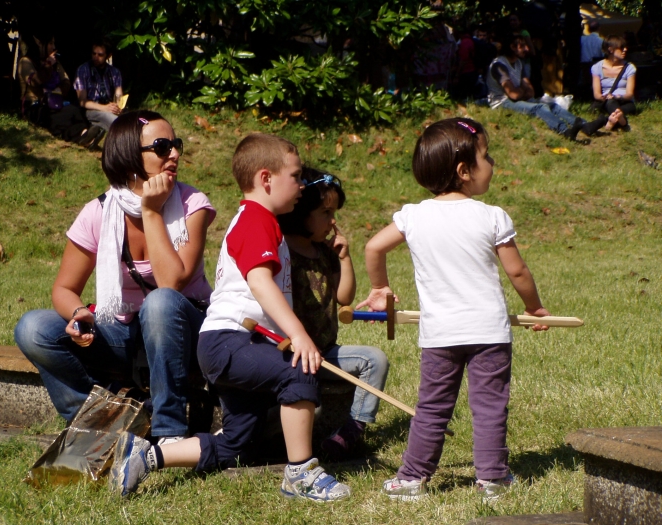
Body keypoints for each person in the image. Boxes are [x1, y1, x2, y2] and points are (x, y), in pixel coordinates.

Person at [108, 133, 351, 502]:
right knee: (299, 369)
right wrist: (299, 335)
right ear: (266, 179)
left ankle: (147, 456)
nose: (302, 185)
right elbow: (260, 283)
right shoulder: (256, 220)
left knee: (237, 441)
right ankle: (301, 473)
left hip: (236, 344)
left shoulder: (264, 221)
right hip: (229, 341)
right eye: (296, 176)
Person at [358, 118, 551, 501]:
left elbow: (373, 248)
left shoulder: (412, 216)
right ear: (464, 171)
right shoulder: (491, 216)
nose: (492, 161)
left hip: (440, 334)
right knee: (490, 406)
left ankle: (412, 478)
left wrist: (380, 288)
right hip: (489, 334)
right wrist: (535, 307)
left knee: (431, 408)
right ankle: (493, 478)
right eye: (486, 155)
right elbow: (517, 270)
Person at [15, 110, 215, 445]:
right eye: (163, 147)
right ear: (128, 154)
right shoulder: (98, 212)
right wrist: (79, 314)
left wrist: (151, 211)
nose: (175, 154)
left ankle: (169, 432)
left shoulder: (192, 203)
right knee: (33, 329)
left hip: (187, 332)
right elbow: (64, 288)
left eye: (175, 145)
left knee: (161, 302)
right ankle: (100, 422)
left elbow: (171, 284)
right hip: (124, 331)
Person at [277, 168, 389, 461]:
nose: (333, 220)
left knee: (375, 359)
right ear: (300, 212)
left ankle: (352, 428)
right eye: (325, 212)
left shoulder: (324, 253)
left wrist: (344, 257)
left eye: (334, 212)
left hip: (326, 353)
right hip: (291, 353)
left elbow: (344, 297)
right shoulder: (282, 252)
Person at [487, 33, 586, 141]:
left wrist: (520, 91)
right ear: (512, 47)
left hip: (516, 98)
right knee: (540, 108)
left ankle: (584, 125)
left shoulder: (518, 63)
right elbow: (513, 94)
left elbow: (530, 92)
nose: (527, 48)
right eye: (523, 46)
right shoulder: (499, 65)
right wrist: (522, 90)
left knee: (552, 105)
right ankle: (565, 131)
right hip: (501, 102)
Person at [18, 33, 103, 148]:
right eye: (50, 43)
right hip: (35, 106)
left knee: (75, 110)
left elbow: (66, 81)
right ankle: (84, 137)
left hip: (54, 103)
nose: (53, 47)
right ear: (39, 43)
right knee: (61, 117)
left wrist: (59, 89)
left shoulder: (56, 63)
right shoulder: (26, 62)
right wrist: (48, 66)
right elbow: (35, 81)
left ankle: (85, 136)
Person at [582, 35, 636, 136]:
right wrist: (604, 97)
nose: (625, 50)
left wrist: (617, 96)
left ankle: (608, 122)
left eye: (625, 47)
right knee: (612, 104)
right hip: (607, 101)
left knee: (616, 105)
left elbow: (629, 94)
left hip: (625, 102)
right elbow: (597, 94)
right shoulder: (597, 67)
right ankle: (623, 123)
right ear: (611, 49)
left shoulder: (629, 68)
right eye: (621, 48)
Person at [74, 38, 123, 132]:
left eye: (100, 55)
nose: (96, 57)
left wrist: (117, 106)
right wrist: (104, 108)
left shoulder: (114, 72)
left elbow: (119, 94)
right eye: (94, 54)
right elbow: (82, 101)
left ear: (108, 56)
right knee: (115, 121)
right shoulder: (83, 70)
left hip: (107, 105)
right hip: (92, 108)